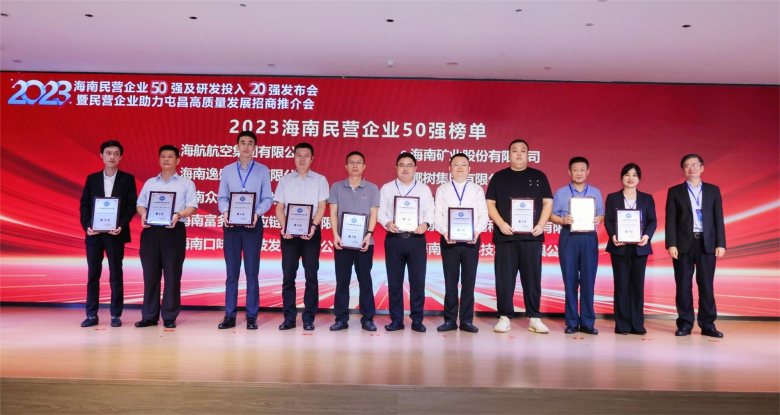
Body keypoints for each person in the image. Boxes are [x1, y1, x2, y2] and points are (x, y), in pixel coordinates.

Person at [486, 139, 553, 334]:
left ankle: (534, 317)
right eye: (514, 150)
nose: (518, 154)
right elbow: (490, 203)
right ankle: (504, 317)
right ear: (508, 154)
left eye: (523, 150)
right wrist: (501, 223)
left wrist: (541, 225)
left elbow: (548, 203)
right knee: (504, 279)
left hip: (531, 237)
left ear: (528, 154)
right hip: (505, 236)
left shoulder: (539, 176)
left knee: (532, 279)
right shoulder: (499, 177)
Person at [135, 145, 198, 328]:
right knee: (150, 275)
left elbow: (192, 207)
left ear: (178, 160)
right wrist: (144, 214)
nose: (166, 159)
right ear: (158, 160)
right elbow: (140, 204)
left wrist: (178, 214)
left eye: (170, 156)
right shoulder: (150, 183)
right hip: (151, 231)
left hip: (174, 230)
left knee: (172, 275)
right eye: (163, 156)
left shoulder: (186, 183)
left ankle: (169, 316)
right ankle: (149, 316)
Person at [216, 131, 273, 330]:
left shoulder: (263, 170)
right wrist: (225, 212)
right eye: (242, 143)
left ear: (255, 147)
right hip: (231, 226)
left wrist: (256, 213)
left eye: (250, 143)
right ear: (237, 146)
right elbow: (222, 197)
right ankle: (229, 315)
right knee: (232, 273)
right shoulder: (227, 170)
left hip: (253, 225)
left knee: (251, 272)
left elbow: (268, 198)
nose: (246, 147)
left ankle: (251, 316)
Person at [665, 154, 726, 338]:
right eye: (687, 165)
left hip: (706, 243)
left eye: (695, 165)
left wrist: (720, 243)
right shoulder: (675, 191)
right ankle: (685, 324)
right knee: (683, 285)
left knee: (706, 285)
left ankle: (708, 324)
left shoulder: (713, 190)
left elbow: (718, 218)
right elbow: (670, 220)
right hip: (683, 244)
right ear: (683, 170)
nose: (691, 168)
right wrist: (671, 243)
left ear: (702, 168)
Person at [79, 140, 138, 327]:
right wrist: (87, 226)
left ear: (121, 157)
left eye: (116, 153)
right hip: (94, 234)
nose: (112, 157)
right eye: (108, 153)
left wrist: (121, 225)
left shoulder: (127, 179)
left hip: (115, 233)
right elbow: (84, 205)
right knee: (93, 275)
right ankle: (91, 314)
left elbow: (131, 206)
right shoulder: (92, 179)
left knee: (116, 275)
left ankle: (116, 314)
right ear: (101, 155)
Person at [274, 142, 329, 331]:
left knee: (311, 276)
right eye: (299, 155)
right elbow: (279, 207)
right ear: (294, 157)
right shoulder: (285, 180)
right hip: (289, 234)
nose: (302, 159)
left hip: (311, 233)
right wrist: (285, 227)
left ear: (312, 159)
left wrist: (313, 226)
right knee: (288, 276)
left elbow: (322, 206)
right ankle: (289, 318)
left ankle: (309, 318)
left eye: (306, 155)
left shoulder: (320, 180)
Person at [378, 152, 434, 332]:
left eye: (409, 165)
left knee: (417, 282)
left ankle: (417, 320)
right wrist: (387, 223)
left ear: (415, 168)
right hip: (394, 239)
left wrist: (425, 224)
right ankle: (396, 320)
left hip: (416, 240)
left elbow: (430, 212)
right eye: (402, 165)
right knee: (394, 283)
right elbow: (380, 212)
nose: (405, 169)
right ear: (396, 167)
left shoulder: (424, 189)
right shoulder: (387, 188)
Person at [433, 153, 489, 333]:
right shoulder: (442, 189)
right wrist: (445, 231)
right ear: (449, 169)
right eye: (455, 164)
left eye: (463, 164)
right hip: (449, 240)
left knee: (468, 282)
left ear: (469, 169)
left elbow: (483, 215)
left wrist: (476, 231)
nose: (459, 167)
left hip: (471, 240)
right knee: (450, 282)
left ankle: (466, 320)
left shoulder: (477, 189)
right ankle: (450, 320)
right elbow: (437, 216)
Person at [550, 157, 605, 335]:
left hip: (589, 237)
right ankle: (572, 322)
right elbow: (552, 215)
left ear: (588, 172)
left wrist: (598, 219)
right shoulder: (561, 193)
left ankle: (588, 322)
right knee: (570, 280)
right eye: (575, 170)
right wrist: (563, 220)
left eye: (582, 170)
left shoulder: (595, 192)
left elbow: (601, 214)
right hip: (569, 237)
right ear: (569, 172)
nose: (579, 173)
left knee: (589, 280)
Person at [328, 151, 380, 332]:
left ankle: (368, 319)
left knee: (365, 281)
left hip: (364, 243)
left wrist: (369, 234)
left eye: (359, 162)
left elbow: (373, 213)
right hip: (342, 242)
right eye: (351, 162)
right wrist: (335, 235)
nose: (355, 165)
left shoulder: (372, 188)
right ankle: (341, 319)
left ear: (364, 166)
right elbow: (333, 212)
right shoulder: (336, 187)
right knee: (342, 281)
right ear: (346, 166)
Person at [604, 163, 657, 335]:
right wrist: (613, 235)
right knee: (621, 285)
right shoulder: (613, 197)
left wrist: (647, 236)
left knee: (637, 286)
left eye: (634, 175)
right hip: (619, 247)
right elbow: (609, 220)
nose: (630, 178)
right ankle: (622, 325)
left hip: (640, 247)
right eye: (627, 175)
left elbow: (652, 220)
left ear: (639, 179)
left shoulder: (647, 198)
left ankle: (637, 325)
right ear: (621, 178)